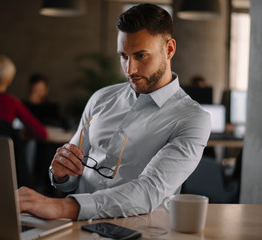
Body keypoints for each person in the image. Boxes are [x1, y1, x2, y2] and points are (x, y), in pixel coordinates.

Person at [18, 3, 211, 220]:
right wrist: (61, 174)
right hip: (74, 227)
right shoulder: (101, 98)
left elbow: (149, 191)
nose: (130, 70)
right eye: (124, 56)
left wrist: (60, 208)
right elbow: (67, 180)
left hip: (138, 230)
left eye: (141, 56)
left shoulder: (192, 119)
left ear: (169, 49)